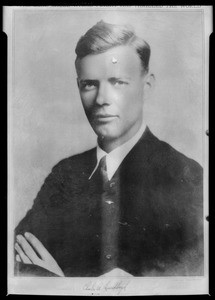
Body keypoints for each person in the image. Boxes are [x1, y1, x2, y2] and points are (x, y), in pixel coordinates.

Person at [14, 20, 203, 277]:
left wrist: (61, 280)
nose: (102, 100)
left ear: (146, 86)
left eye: (117, 83)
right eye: (89, 84)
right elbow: (16, 261)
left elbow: (192, 277)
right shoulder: (65, 174)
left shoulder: (186, 176)